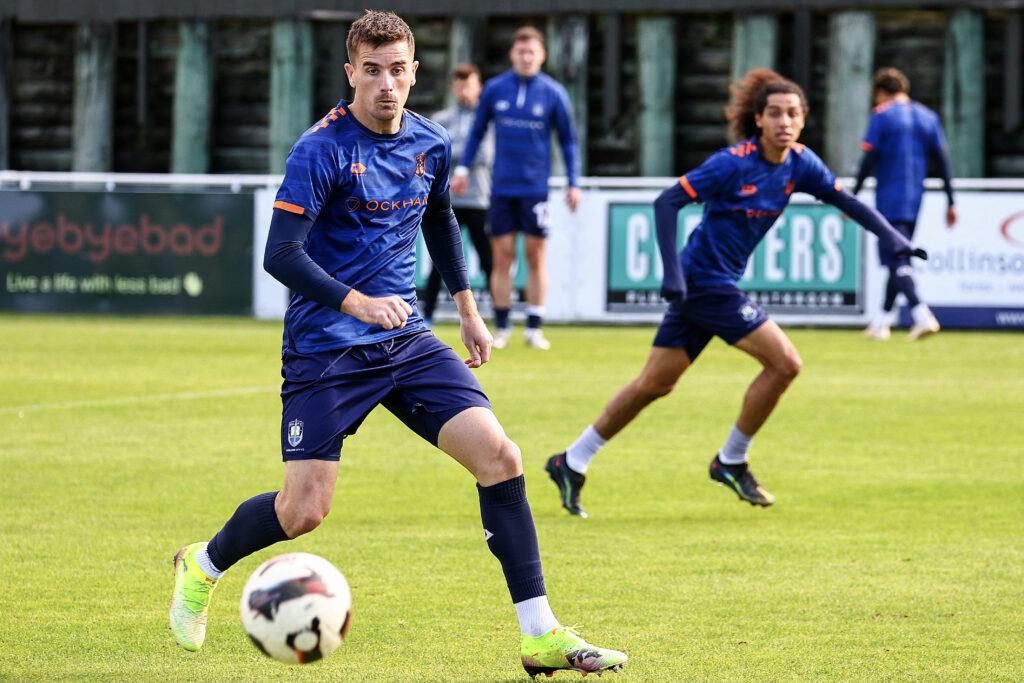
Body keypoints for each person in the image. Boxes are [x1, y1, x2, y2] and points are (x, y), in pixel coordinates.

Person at [168, 11, 626, 677]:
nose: (386, 83)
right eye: (372, 70)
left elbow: (438, 216)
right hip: (326, 349)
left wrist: (468, 308)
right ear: (351, 72)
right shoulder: (319, 149)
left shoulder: (430, 143)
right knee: (303, 511)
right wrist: (355, 301)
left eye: (398, 70)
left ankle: (541, 633)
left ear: (415, 72)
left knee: (500, 455)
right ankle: (201, 565)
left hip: (407, 341)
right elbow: (280, 253)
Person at [545, 68, 927, 517]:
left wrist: (893, 239)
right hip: (704, 283)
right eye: (775, 113)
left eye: (793, 114)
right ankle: (731, 459)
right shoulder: (733, 162)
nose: (785, 121)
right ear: (759, 120)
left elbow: (850, 203)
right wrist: (672, 273)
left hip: (708, 285)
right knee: (785, 364)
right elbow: (667, 201)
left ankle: (571, 460)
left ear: (803, 121)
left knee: (655, 384)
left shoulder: (802, 163)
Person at [451, 26, 581, 350]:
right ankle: (504, 323)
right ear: (513, 54)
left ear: (542, 56)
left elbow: (568, 141)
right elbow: (477, 132)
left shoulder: (553, 93)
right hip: (501, 189)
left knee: (536, 256)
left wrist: (573, 182)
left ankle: (534, 326)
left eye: (532, 52)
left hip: (535, 188)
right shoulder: (495, 89)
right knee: (502, 257)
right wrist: (463, 168)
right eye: (521, 52)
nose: (526, 58)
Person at [854, 67, 957, 341]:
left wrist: (852, 195)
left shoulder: (882, 115)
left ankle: (921, 314)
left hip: (889, 199)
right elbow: (943, 161)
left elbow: (868, 159)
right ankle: (881, 323)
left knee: (896, 259)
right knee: (898, 258)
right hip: (915, 200)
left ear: (880, 92)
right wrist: (951, 200)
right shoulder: (928, 116)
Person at [421, 63, 494, 327]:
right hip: (446, 200)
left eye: (470, 85)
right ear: (454, 88)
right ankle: (427, 315)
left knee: (488, 260)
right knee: (439, 262)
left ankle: (500, 317)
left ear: (479, 88)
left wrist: (453, 152)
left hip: (478, 199)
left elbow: (486, 154)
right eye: (460, 85)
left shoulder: (487, 119)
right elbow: (431, 154)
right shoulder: (441, 118)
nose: (464, 91)